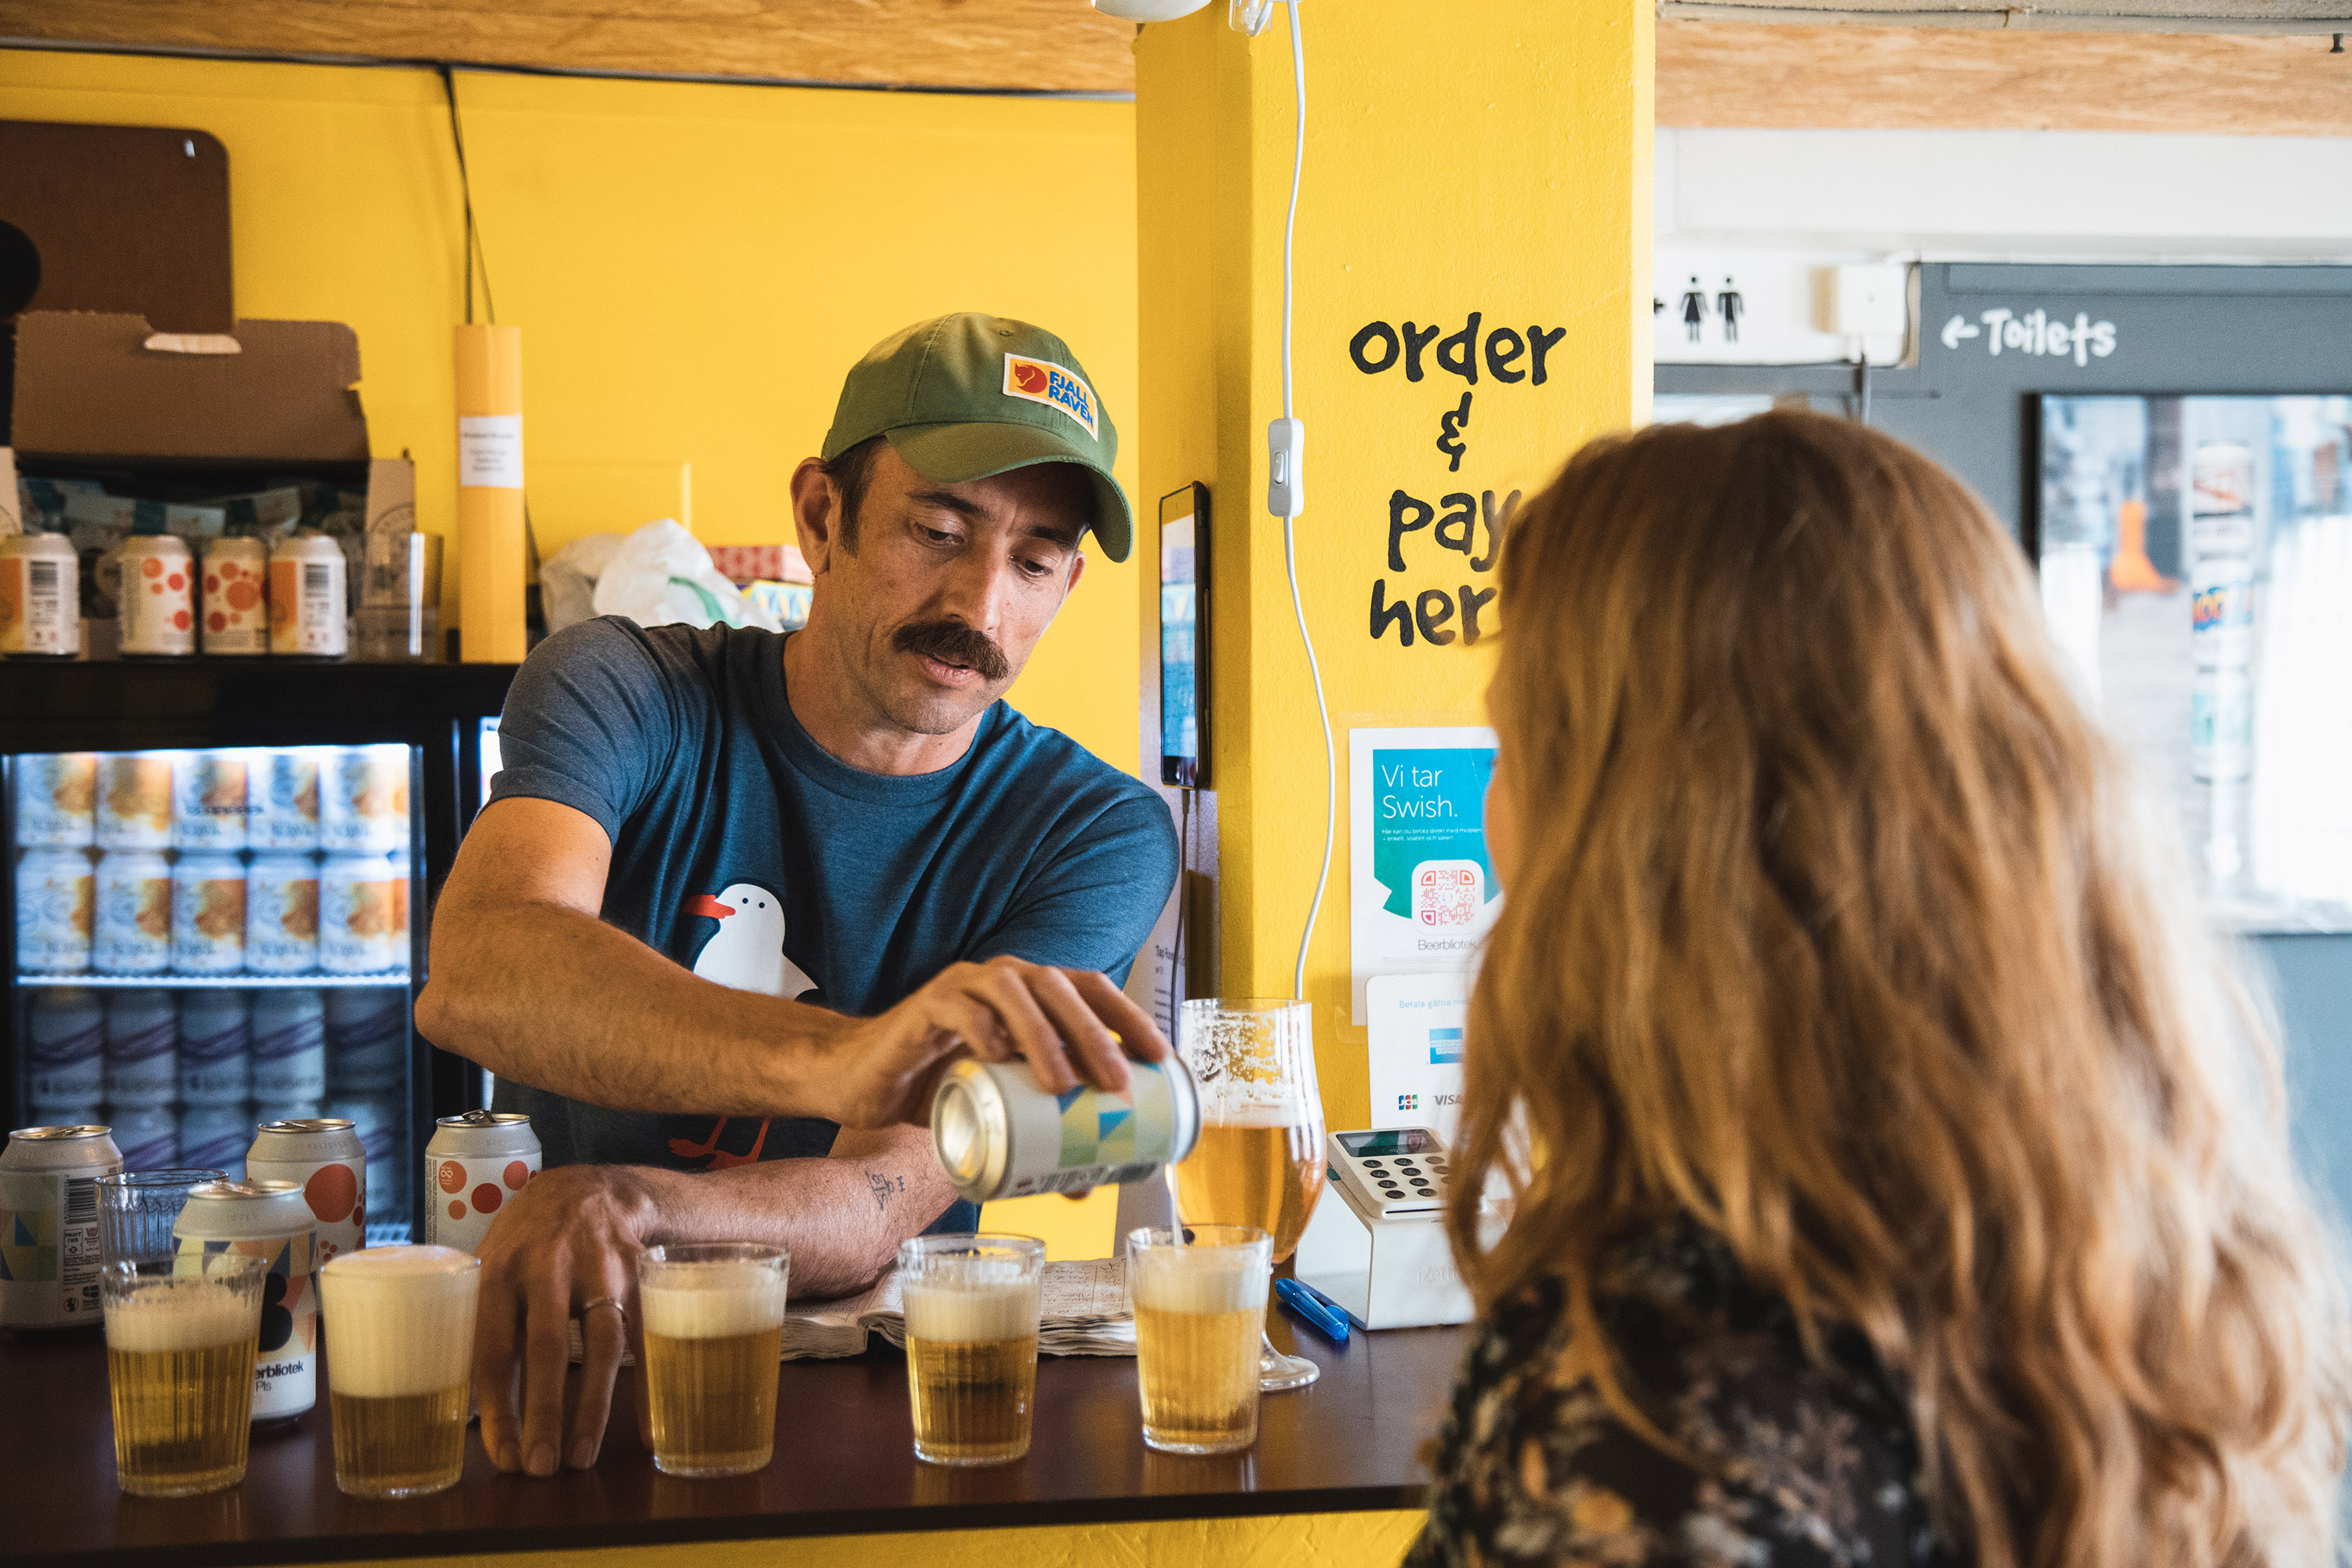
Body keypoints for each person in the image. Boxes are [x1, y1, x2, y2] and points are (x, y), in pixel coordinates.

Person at [1411, 411, 2348, 1568]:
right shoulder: (2133, 1262)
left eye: (1511, 749)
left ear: (1643, 841)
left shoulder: (1656, 1405)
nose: (1493, 814)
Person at [416, 313, 1179, 1479]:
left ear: (1068, 581)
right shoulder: (627, 689)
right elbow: (481, 966)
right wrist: (842, 1057)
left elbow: (878, 1196)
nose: (981, 607)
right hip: (572, 1390)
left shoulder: (1096, 832)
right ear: (823, 516)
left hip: (897, 1429)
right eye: (937, 529)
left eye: (1033, 563)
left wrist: (629, 1201)